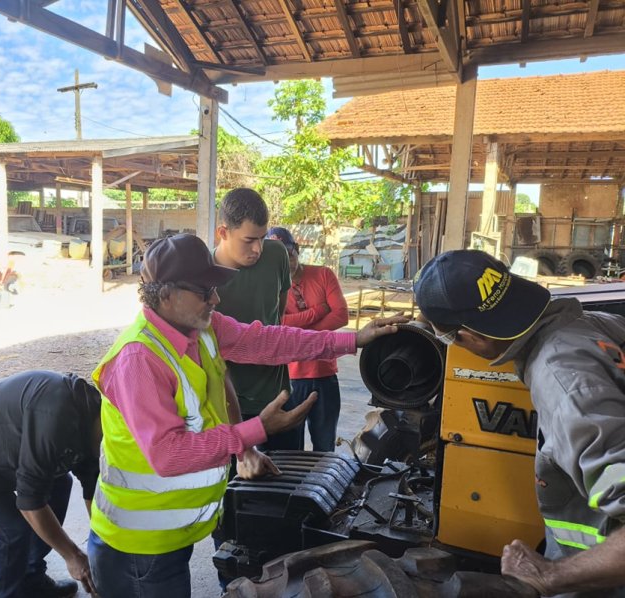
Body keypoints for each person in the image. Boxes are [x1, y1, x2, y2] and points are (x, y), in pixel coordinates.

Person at [87, 233, 406, 597]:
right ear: (165, 295)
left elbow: (270, 341)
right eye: (205, 291)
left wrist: (351, 341)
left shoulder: (201, 329)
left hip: (172, 533)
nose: (216, 299)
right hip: (136, 547)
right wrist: (254, 431)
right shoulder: (138, 360)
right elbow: (167, 455)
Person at [413, 249, 625, 598]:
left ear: (471, 337)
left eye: (450, 338)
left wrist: (549, 577)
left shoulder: (563, 382)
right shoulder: (594, 325)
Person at [0, 370, 101, 598]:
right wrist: (72, 555)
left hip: (4, 450)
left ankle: (30, 579)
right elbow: (30, 503)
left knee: (60, 484)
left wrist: (100, 551)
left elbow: (92, 491)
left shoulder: (96, 423)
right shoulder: (56, 417)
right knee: (12, 531)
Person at [212, 187, 294, 450]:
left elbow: (276, 320)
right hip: (226, 404)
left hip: (276, 396)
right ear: (223, 232)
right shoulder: (202, 273)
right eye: (248, 240)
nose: (258, 248)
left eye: (262, 238)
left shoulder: (276, 255)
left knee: (286, 480)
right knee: (234, 487)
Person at [267, 227, 349, 451]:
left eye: (289, 255)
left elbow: (341, 315)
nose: (286, 263)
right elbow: (277, 325)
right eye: (278, 259)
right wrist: (318, 312)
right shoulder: (270, 288)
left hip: (324, 374)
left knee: (324, 446)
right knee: (289, 448)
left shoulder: (323, 275)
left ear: (297, 251)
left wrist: (299, 332)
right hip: (288, 378)